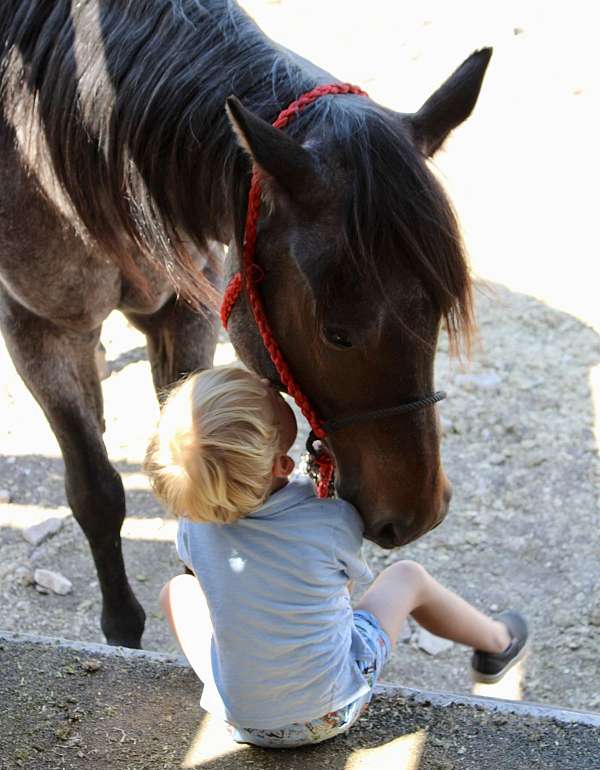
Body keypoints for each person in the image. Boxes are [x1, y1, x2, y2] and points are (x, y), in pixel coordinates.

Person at [145, 365, 528, 749]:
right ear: (284, 465)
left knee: (178, 590)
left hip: (241, 720)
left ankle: (241, 684)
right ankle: (497, 643)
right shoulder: (330, 519)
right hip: (331, 712)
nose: (267, 382)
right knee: (407, 577)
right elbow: (340, 592)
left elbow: (208, 577)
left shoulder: (192, 525)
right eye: (269, 398)